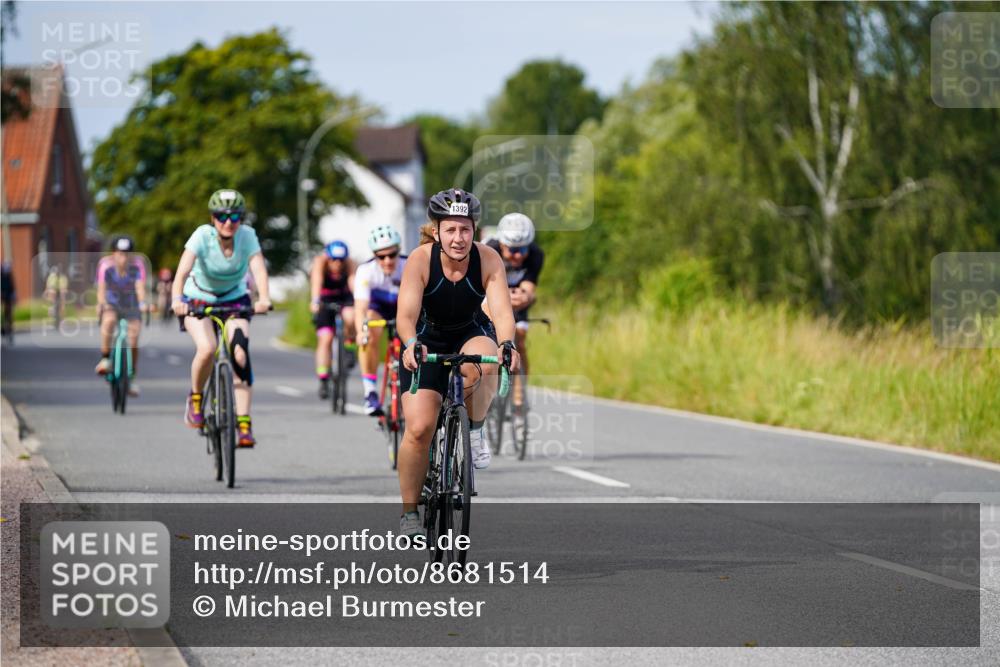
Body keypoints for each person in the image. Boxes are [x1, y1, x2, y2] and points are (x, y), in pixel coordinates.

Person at [395, 188, 519, 537]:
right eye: (450, 229)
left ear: (474, 230)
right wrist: (410, 345)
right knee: (419, 428)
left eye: (465, 229)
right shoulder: (420, 259)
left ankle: (474, 430)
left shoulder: (488, 258)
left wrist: (507, 344)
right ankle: (409, 513)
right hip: (426, 339)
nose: (458, 238)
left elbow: (502, 313)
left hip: (469, 331)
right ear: (436, 231)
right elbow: (405, 316)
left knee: (488, 361)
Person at [172, 189, 271, 447]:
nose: (228, 222)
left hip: (234, 299)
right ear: (212, 218)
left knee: (240, 355)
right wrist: (177, 301)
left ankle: (244, 424)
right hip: (198, 298)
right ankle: (195, 399)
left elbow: (259, 269)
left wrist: (264, 298)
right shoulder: (201, 236)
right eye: (222, 216)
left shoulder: (247, 236)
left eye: (235, 216)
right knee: (208, 348)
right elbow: (181, 273)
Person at [484, 212, 544, 399]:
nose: (518, 256)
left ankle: (519, 396)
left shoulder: (536, 254)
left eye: (523, 249)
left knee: (520, 339)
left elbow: (528, 290)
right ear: (502, 245)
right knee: (489, 340)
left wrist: (527, 297)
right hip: (489, 297)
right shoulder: (488, 250)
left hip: (516, 302)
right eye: (512, 250)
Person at [353, 225, 407, 416]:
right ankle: (370, 392)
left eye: (392, 255)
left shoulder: (408, 265)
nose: (387, 260)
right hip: (378, 308)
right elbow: (360, 308)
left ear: (398, 251)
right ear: (374, 256)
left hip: (403, 307)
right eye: (381, 256)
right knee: (368, 333)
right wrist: (361, 332)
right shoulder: (365, 271)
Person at [94, 236, 148, 396]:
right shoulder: (105, 265)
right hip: (112, 303)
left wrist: (143, 302)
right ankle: (105, 359)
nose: (123, 257)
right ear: (113, 253)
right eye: (120, 253)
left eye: (127, 253)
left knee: (133, 337)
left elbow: (140, 287)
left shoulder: (138, 265)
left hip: (131, 304)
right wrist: (102, 303)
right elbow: (101, 289)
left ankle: (131, 377)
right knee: (109, 321)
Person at [310, 240, 357, 399]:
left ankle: (349, 347)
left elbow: (353, 283)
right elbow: (316, 282)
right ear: (327, 257)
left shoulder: (349, 264)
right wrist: (315, 301)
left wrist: (359, 301)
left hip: (345, 299)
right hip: (325, 301)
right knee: (325, 339)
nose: (337, 264)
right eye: (334, 260)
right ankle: (323, 379)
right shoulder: (320, 262)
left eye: (341, 260)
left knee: (351, 317)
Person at [1, 261, 15, 339]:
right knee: (4, 313)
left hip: (8, 297)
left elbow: (12, 287)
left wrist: (13, 295)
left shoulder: (9, 277)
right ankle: (3, 327)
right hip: (3, 297)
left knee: (8, 313)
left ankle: (9, 329)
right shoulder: (2, 277)